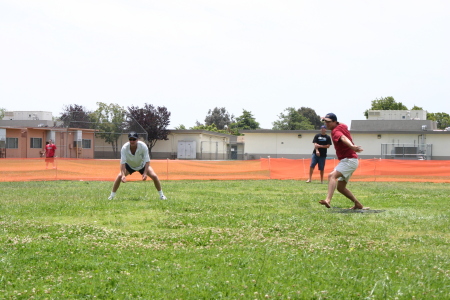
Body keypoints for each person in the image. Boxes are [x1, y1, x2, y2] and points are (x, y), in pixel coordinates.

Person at [318, 113, 368, 210]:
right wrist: (327, 119)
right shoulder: (342, 126)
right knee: (340, 188)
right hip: (350, 160)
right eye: (325, 121)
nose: (326, 124)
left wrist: (351, 146)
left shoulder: (335, 131)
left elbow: (343, 138)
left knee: (331, 176)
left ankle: (328, 200)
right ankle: (358, 205)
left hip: (348, 160)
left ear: (334, 122)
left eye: (328, 122)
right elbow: (341, 124)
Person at [108, 132, 167, 200]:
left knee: (154, 176)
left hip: (142, 165)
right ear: (128, 140)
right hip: (130, 166)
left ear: (137, 139)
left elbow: (147, 161)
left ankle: (162, 196)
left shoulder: (143, 146)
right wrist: (123, 175)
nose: (132, 141)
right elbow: (122, 163)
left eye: (134, 139)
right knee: (119, 176)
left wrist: (145, 173)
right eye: (130, 139)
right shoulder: (124, 148)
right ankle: (111, 196)